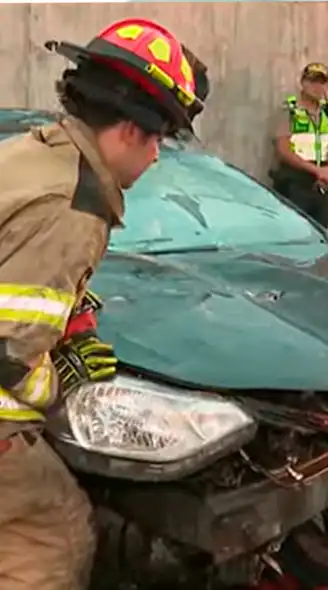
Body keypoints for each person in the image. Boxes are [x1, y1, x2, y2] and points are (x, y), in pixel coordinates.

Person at [0, 17, 201, 589]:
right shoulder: (72, 205)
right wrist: (61, 386)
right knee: (57, 531)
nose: (158, 155)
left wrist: (74, 320)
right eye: (160, 136)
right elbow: (10, 351)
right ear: (131, 131)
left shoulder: (32, 156)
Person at [270, 62, 328, 230]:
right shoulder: (290, 110)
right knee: (295, 232)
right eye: (312, 81)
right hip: (295, 182)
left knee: (323, 234)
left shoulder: (327, 112)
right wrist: (315, 170)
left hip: (320, 183)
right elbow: (283, 149)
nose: (317, 87)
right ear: (302, 83)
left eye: (321, 82)